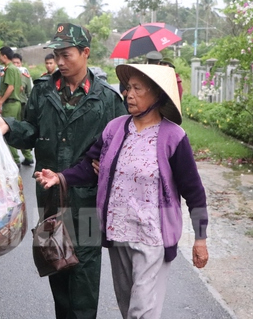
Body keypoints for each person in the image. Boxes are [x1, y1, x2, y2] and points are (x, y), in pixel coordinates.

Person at [34, 64, 209, 318]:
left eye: (137, 89)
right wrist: (60, 177)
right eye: (128, 88)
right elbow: (88, 167)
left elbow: (194, 191)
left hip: (153, 237)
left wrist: (200, 238)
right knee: (128, 308)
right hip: (119, 234)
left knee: (142, 312)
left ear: (157, 94)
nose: (129, 94)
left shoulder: (173, 137)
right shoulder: (115, 129)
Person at [0, 23, 127, 319]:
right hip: (51, 199)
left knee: (85, 277)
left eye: (67, 55)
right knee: (57, 267)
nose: (60, 62)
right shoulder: (42, 92)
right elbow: (30, 132)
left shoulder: (108, 101)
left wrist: (112, 164)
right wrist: (9, 126)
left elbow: (123, 146)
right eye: (56, 55)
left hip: (88, 201)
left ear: (85, 53)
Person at [0, 46, 22, 167]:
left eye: (0, 55)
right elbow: (20, 88)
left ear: (4, 56)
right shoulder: (16, 69)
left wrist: (0, 103)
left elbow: (10, 88)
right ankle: (18, 157)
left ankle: (14, 160)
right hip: (16, 104)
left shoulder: (10, 69)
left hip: (10, 104)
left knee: (8, 133)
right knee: (15, 131)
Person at [11, 53, 35, 166]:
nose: (16, 65)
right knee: (11, 131)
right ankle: (15, 159)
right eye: (14, 63)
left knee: (23, 132)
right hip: (11, 106)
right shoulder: (8, 75)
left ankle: (28, 156)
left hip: (22, 107)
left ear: (21, 64)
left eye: (18, 63)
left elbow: (30, 94)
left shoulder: (25, 77)